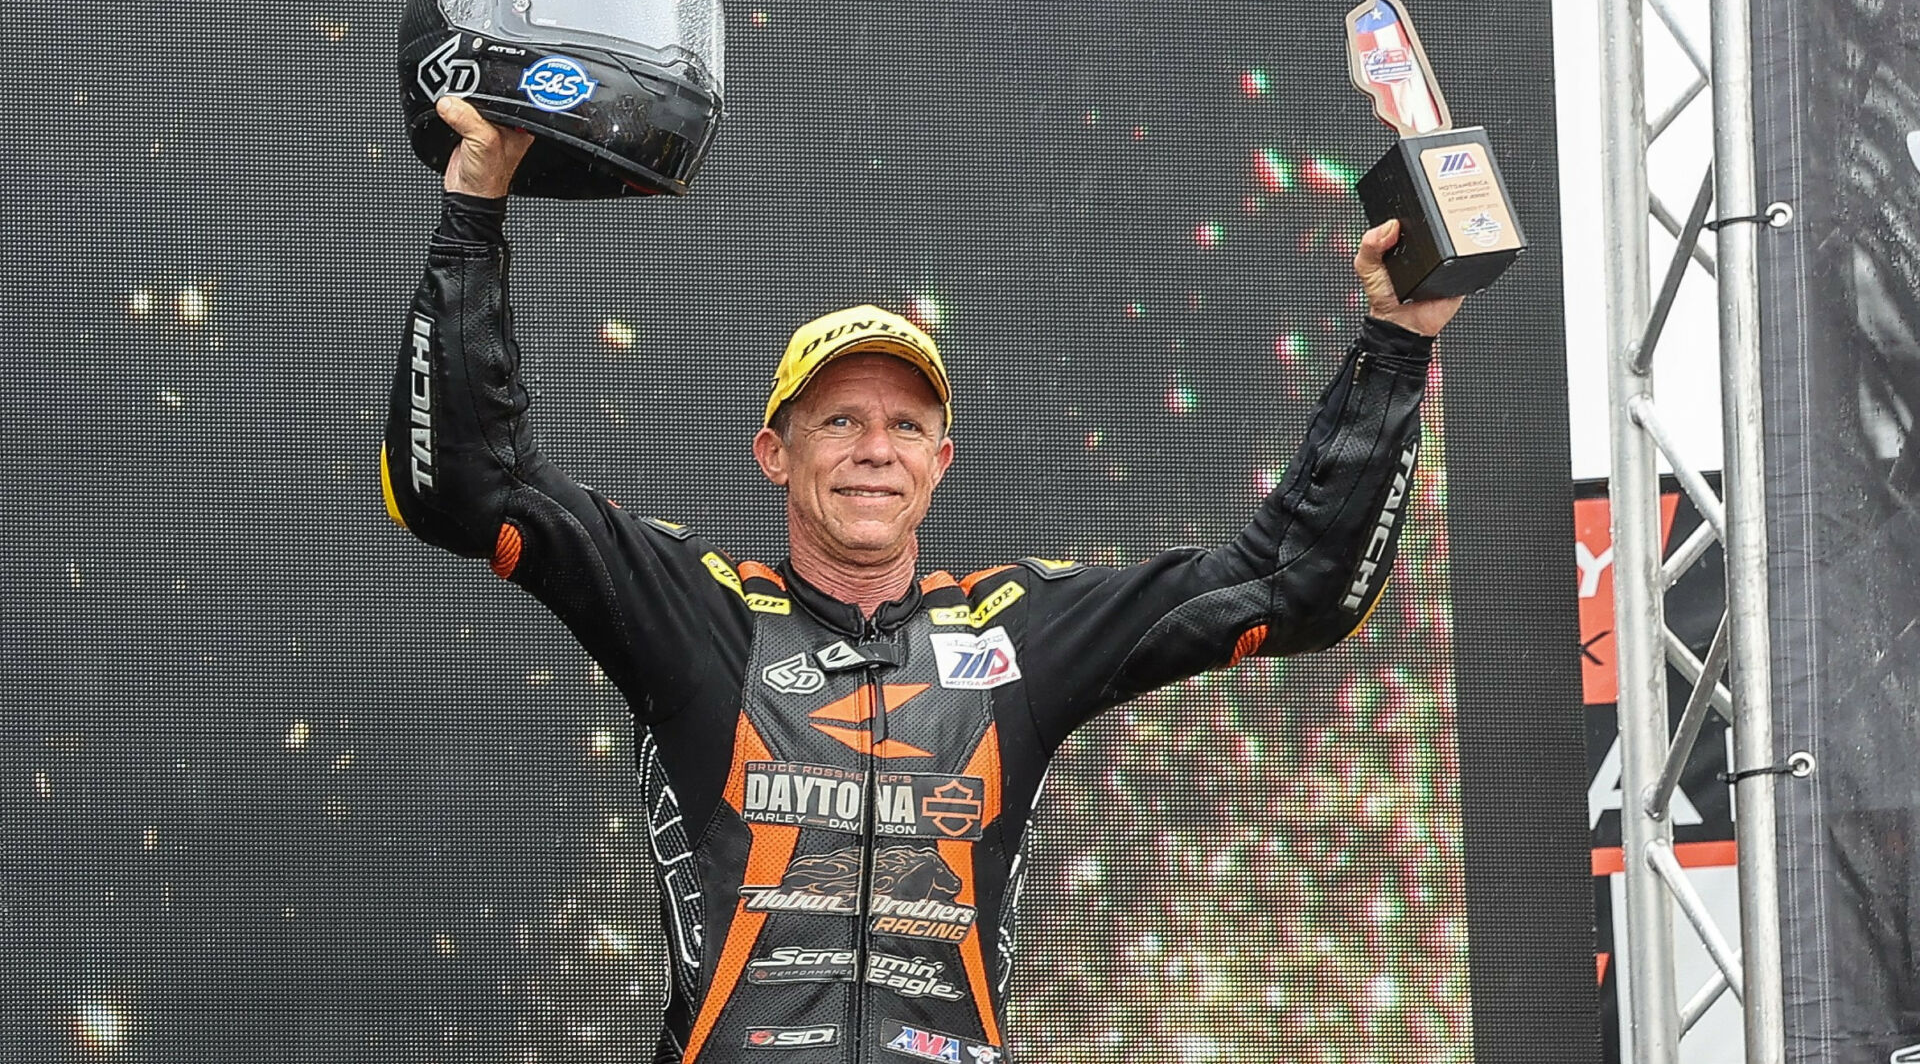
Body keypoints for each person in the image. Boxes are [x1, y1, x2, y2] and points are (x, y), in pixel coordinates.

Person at [382, 97, 1462, 1064]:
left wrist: (1396, 345)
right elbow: (470, 488)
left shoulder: (1014, 631)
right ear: (776, 451)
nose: (873, 448)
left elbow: (1295, 584)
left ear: (941, 463)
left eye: (906, 425)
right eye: (839, 419)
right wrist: (475, 210)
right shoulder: (696, 607)